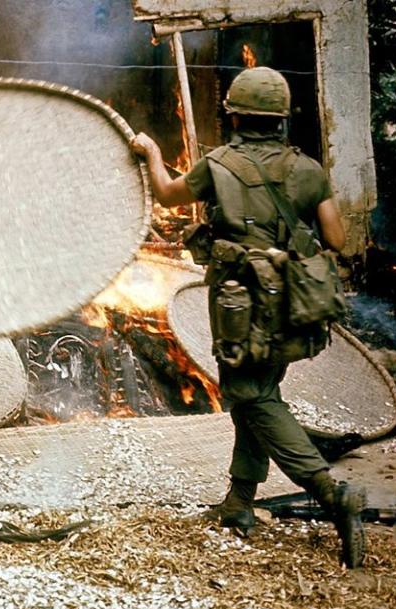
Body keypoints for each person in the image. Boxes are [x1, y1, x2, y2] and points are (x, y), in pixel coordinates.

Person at [130, 66, 366, 568]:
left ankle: (331, 493)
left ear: (234, 114)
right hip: (292, 304)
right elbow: (337, 240)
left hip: (241, 304)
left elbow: (169, 195)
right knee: (259, 389)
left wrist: (151, 154)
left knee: (250, 394)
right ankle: (240, 502)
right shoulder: (308, 169)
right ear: (282, 119)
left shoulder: (219, 163)